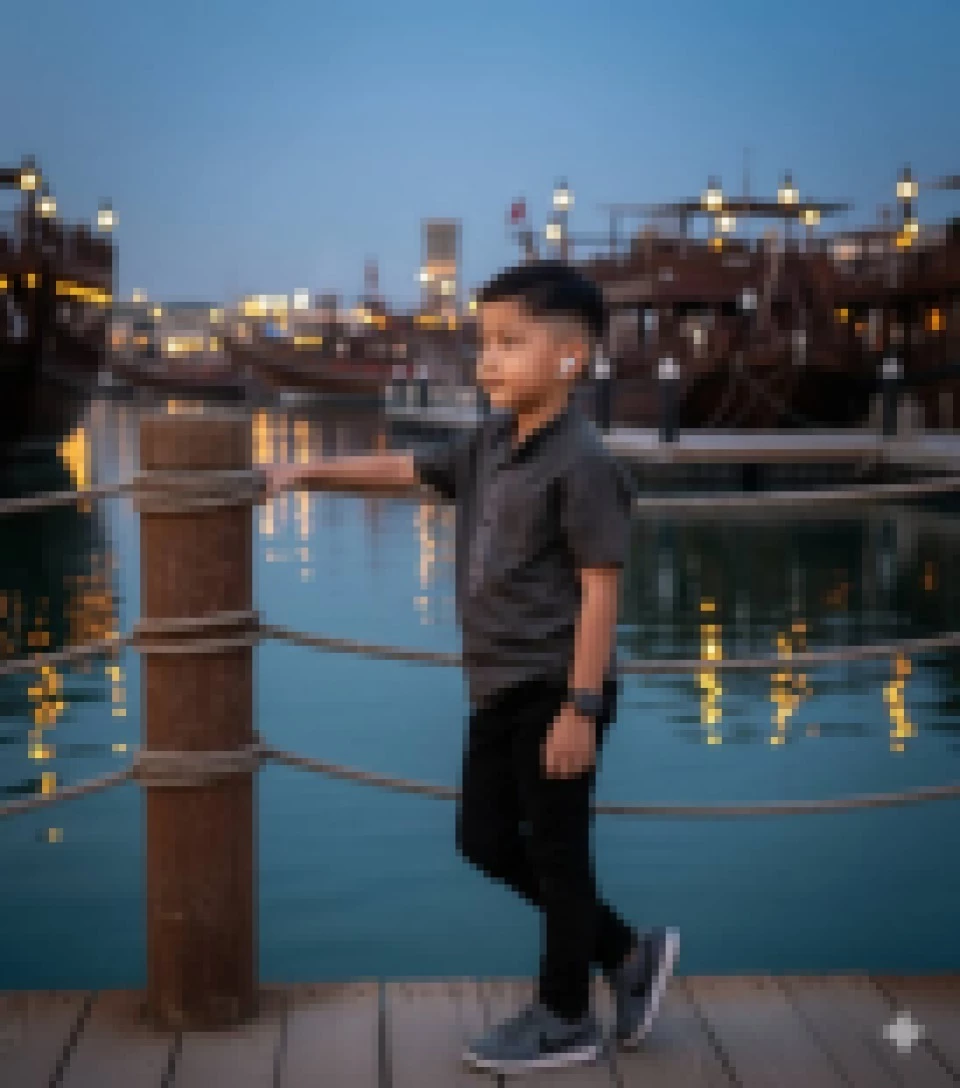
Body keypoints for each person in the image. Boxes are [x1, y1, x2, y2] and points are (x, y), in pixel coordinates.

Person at [266, 260, 679, 1074]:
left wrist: (582, 708)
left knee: (560, 855)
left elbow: (600, 596)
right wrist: (302, 472)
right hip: (495, 686)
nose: (486, 361)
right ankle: (627, 953)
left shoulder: (584, 463)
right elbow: (403, 469)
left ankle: (566, 1017)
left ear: (569, 357)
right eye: (482, 343)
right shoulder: (491, 441)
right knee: (483, 839)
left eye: (508, 344)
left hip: (558, 689)